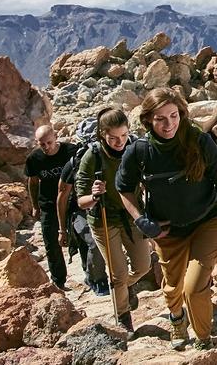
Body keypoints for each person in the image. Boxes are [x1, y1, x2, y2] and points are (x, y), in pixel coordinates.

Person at [117, 87, 217, 351]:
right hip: (167, 230)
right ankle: (177, 319)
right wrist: (141, 220)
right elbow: (124, 188)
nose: (169, 124)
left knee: (195, 285)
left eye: (174, 116)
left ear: (182, 114)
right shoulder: (140, 151)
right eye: (161, 119)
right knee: (172, 286)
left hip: (206, 221)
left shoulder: (199, 141)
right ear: (148, 120)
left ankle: (203, 338)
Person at [75, 108, 152, 331]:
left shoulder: (135, 149)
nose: (119, 142)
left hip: (131, 217)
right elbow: (81, 201)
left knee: (143, 266)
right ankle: (124, 317)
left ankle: (125, 289)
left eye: (123, 135)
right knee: (117, 274)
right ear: (102, 135)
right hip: (103, 220)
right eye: (112, 138)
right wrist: (95, 195)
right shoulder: (93, 157)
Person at [56, 118, 110, 296]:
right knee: (94, 242)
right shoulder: (75, 163)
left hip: (106, 206)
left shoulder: (113, 155)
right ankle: (97, 279)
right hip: (79, 212)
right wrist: (62, 230)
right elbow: (62, 196)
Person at [25, 125, 77, 290]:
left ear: (56, 137)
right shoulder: (34, 159)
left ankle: (92, 275)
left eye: (49, 142)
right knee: (51, 243)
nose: (46, 147)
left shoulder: (71, 151)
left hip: (72, 202)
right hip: (48, 204)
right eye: (42, 144)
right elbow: (33, 182)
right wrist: (34, 206)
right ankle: (59, 281)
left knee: (82, 236)